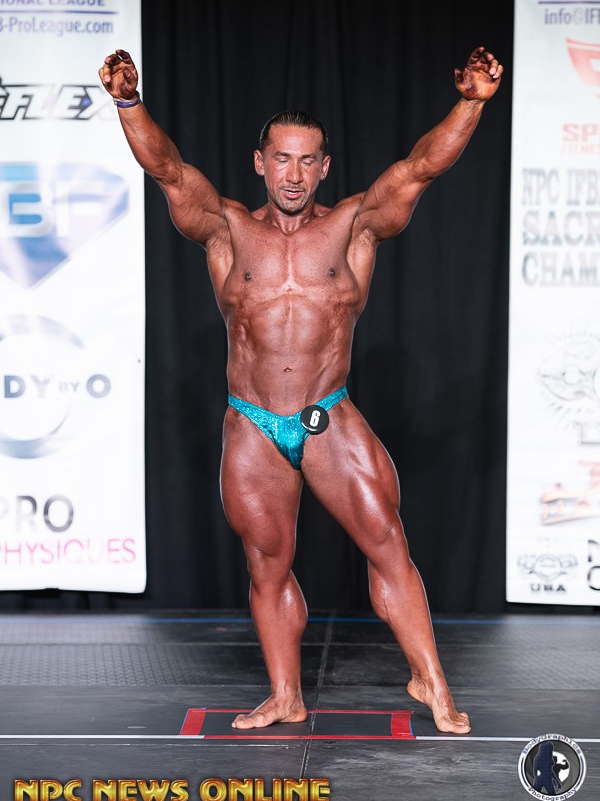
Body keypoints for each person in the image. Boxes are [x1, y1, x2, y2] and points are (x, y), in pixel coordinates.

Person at [99, 45, 503, 735]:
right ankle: (286, 695)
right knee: (268, 564)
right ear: (260, 163)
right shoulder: (227, 229)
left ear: (324, 167)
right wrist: (128, 102)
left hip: (328, 416)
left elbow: (420, 168)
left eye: (307, 161)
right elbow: (167, 169)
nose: (293, 173)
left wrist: (470, 104)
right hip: (252, 422)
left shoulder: (352, 228)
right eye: (281, 159)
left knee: (387, 542)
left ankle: (432, 682)